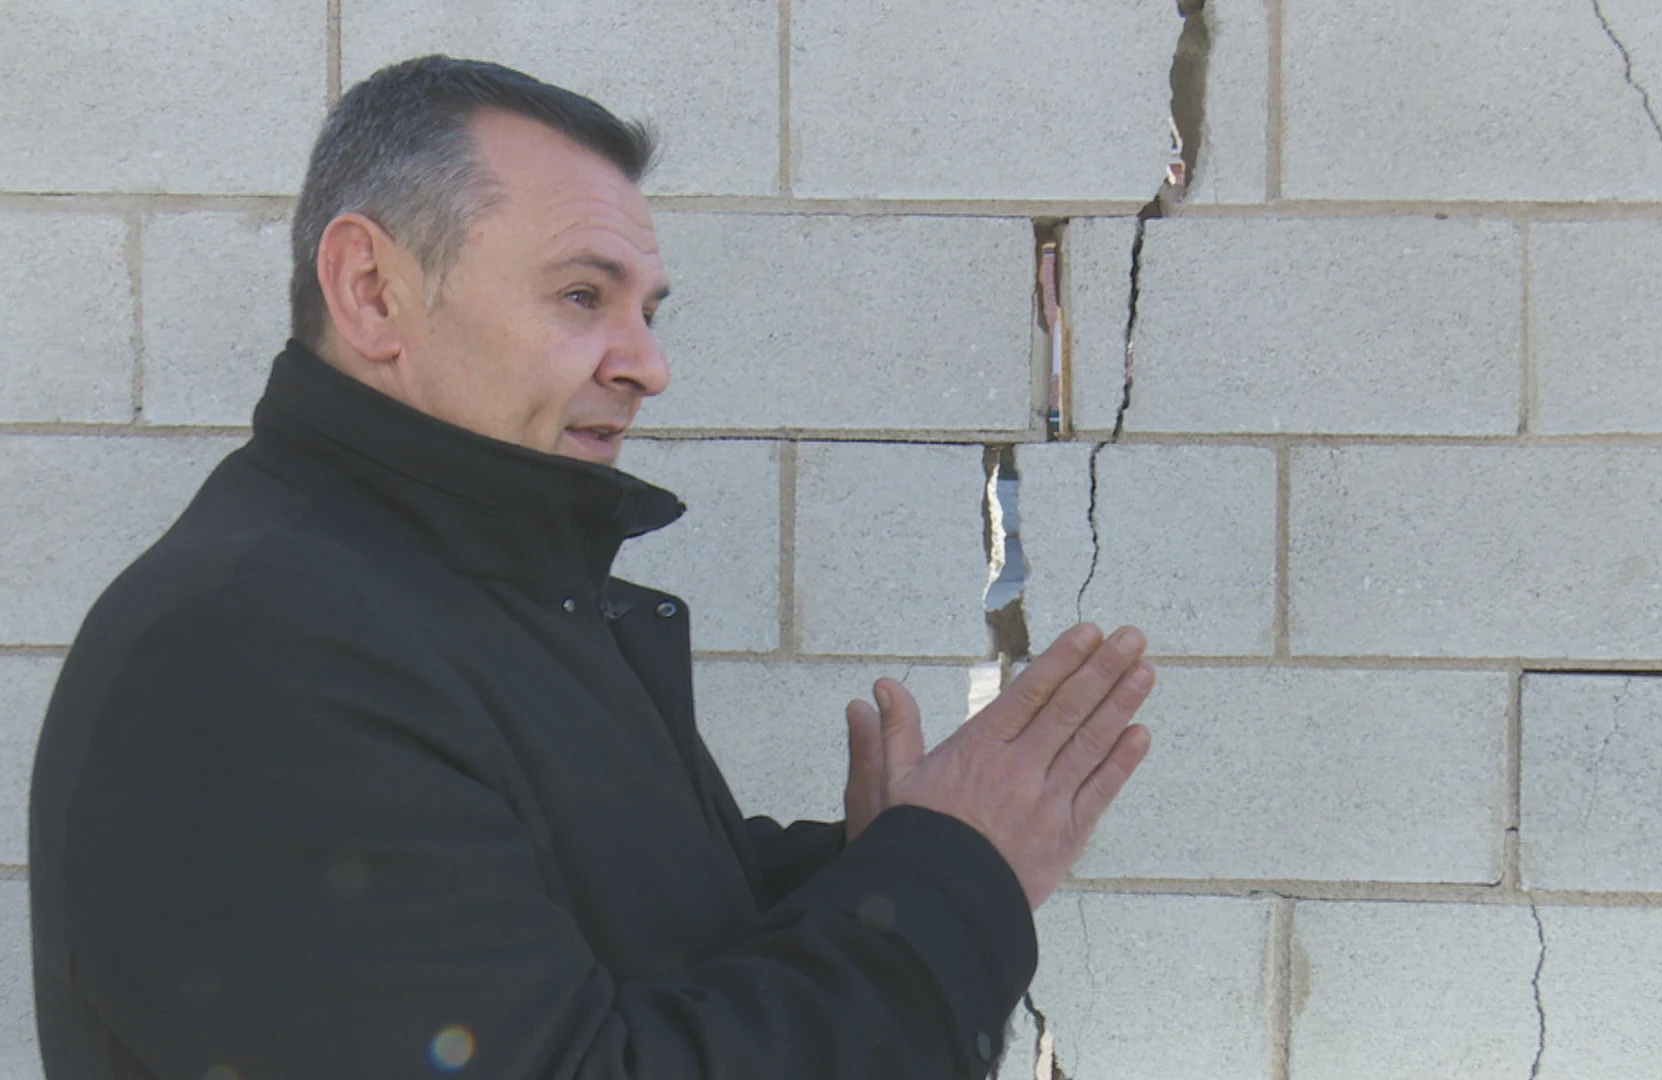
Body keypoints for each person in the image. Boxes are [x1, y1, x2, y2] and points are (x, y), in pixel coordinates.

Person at [28, 55, 1154, 1080]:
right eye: (582, 295)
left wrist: (882, 867)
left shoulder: (470, 597)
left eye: (648, 310)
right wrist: (949, 887)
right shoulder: (258, 651)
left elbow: (632, 905)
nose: (649, 364)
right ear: (372, 291)